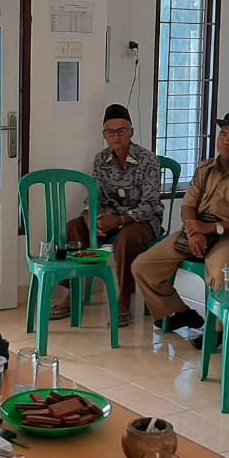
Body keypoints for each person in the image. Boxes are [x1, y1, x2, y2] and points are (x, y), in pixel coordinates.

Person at [132, 111, 229, 350]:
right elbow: (188, 205)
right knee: (144, 265)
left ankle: (219, 329)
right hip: (198, 229)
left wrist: (210, 228)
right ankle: (177, 312)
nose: (226, 140)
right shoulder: (206, 167)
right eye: (224, 134)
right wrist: (195, 231)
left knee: (219, 271)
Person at [51, 104, 163, 327]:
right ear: (104, 135)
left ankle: (124, 298)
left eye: (122, 131)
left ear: (131, 132)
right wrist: (90, 218)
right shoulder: (101, 160)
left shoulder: (148, 160)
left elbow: (150, 205)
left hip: (141, 221)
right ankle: (74, 292)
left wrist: (120, 220)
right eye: (110, 132)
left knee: (127, 239)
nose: (116, 137)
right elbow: (94, 195)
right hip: (109, 218)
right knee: (73, 227)